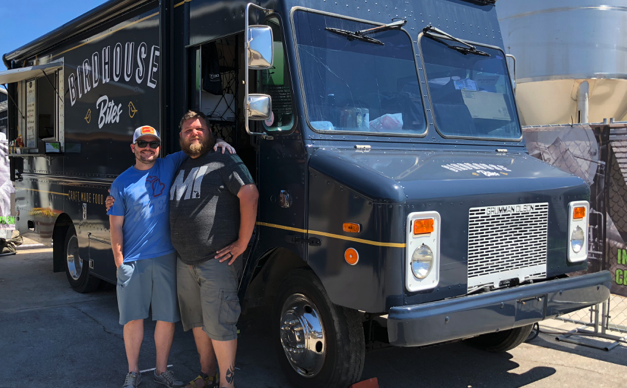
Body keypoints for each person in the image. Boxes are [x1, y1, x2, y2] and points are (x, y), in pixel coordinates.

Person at [108, 125, 234, 388]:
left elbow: (195, 144)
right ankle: (133, 372)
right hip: (133, 260)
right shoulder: (121, 182)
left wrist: (219, 141)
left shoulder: (170, 163)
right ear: (133, 148)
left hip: (167, 257)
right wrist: (120, 263)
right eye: (142, 143)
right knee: (133, 319)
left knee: (166, 319)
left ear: (159, 148)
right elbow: (115, 227)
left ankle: (161, 370)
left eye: (153, 144)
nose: (148, 148)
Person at [170, 110, 258, 388]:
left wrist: (242, 243)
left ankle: (227, 384)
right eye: (188, 130)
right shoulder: (179, 164)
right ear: (181, 137)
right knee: (197, 324)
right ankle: (206, 375)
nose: (194, 133)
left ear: (210, 133)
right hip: (186, 263)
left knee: (220, 326)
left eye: (199, 129)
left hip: (216, 262)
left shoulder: (224, 158)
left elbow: (250, 194)